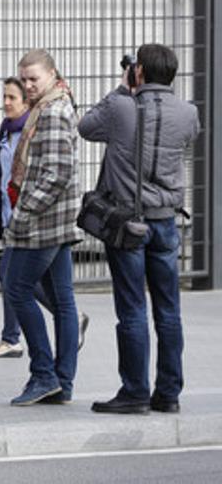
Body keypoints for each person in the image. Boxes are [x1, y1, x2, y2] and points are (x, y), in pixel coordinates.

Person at [79, 44, 199, 415]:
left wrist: (120, 88)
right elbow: (184, 142)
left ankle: (134, 391)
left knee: (132, 309)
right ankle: (169, 393)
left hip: (129, 223)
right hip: (166, 220)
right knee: (168, 310)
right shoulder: (189, 112)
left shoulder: (121, 107)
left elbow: (86, 127)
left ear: (139, 71)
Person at [4, 49, 81, 407]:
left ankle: (44, 374)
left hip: (43, 223)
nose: (29, 85)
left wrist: (23, 212)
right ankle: (61, 382)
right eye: (25, 79)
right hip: (58, 219)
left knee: (16, 287)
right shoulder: (54, 104)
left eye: (34, 78)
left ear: (52, 74)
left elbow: (57, 172)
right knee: (63, 302)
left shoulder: (51, 112)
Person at [0, 77, 32, 359]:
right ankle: (71, 317)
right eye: (4, 97)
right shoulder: (7, 131)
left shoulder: (27, 132)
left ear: (27, 103)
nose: (6, 103)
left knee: (9, 274)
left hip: (22, 217)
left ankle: (11, 338)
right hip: (7, 214)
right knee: (24, 278)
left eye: (12, 97)